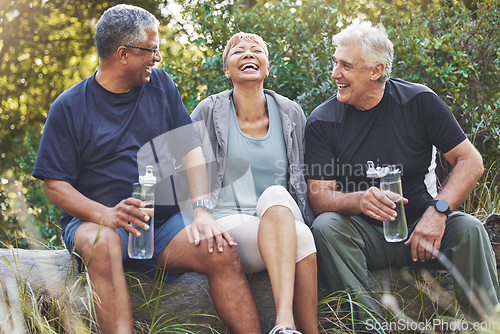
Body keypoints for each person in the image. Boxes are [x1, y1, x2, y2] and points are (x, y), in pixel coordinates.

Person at [32, 5, 262, 334]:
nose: (157, 58)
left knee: (220, 250)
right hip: (97, 222)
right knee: (103, 245)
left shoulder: (160, 86)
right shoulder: (68, 107)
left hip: (162, 225)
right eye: (151, 50)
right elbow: (55, 186)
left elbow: (191, 150)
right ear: (123, 54)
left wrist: (201, 211)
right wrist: (106, 215)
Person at [304, 21, 499, 333]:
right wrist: (358, 200)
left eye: (346, 65)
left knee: (471, 229)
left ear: (376, 70)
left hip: (421, 231)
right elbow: (318, 195)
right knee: (326, 227)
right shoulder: (322, 120)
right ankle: (371, 326)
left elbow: (470, 161)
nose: (335, 74)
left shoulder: (419, 102)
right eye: (335, 62)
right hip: (363, 236)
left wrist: (439, 211)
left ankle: (488, 325)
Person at [191, 32, 319, 334]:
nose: (248, 55)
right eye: (238, 52)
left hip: (284, 214)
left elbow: (300, 180)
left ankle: (285, 324)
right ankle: (296, 327)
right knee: (302, 238)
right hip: (230, 226)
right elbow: (186, 167)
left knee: (276, 196)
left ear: (267, 66)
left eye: (256, 50)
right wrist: (199, 211)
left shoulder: (291, 113)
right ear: (226, 70)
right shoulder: (207, 112)